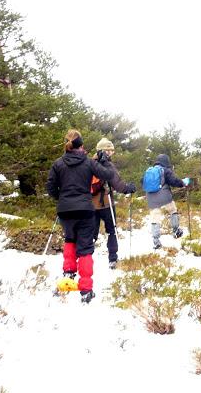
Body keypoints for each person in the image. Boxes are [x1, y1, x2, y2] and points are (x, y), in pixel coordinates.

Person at [46, 129, 114, 304]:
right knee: (85, 248)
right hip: (85, 209)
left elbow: (51, 188)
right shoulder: (88, 162)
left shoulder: (58, 163)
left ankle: (68, 273)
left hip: (65, 209)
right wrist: (104, 161)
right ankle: (85, 289)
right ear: (82, 145)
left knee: (70, 240)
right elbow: (108, 175)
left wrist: (61, 198)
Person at [91, 138, 136, 269]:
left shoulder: (89, 163)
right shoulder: (107, 165)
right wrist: (128, 188)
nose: (112, 153)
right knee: (111, 231)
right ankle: (112, 258)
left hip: (90, 204)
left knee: (90, 233)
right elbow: (117, 184)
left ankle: (85, 258)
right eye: (110, 150)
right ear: (104, 150)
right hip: (106, 203)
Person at [143, 154, 190, 249]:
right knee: (173, 210)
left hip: (151, 197)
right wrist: (183, 183)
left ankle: (156, 241)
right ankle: (176, 230)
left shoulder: (149, 171)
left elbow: (142, 182)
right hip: (164, 196)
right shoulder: (165, 170)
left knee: (155, 218)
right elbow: (174, 181)